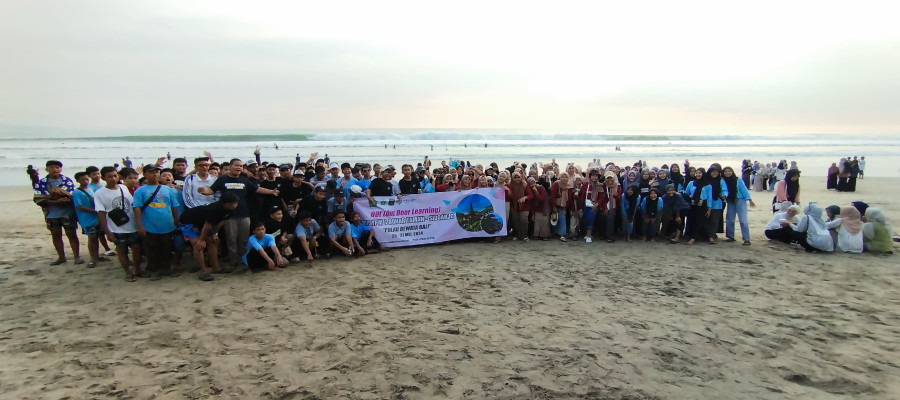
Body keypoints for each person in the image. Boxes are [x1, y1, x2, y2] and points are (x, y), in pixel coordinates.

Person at [199, 159, 279, 272]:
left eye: (241, 166)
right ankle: (233, 260)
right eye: (236, 165)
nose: (239, 168)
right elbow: (211, 190)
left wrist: (271, 192)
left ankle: (244, 259)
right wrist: (204, 191)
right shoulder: (222, 179)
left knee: (244, 239)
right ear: (230, 166)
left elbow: (256, 189)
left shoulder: (244, 180)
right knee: (231, 239)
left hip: (244, 214)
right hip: (229, 215)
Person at [94, 166, 143, 282]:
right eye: (109, 177)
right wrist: (107, 231)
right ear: (104, 178)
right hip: (116, 228)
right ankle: (128, 272)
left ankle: (137, 269)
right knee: (121, 250)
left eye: (115, 176)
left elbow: (132, 205)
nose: (113, 179)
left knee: (137, 248)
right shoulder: (99, 193)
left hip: (132, 225)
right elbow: (101, 213)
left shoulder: (123, 187)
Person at [132, 165, 180, 280]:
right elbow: (137, 208)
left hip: (167, 224)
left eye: (157, 172)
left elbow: (174, 206)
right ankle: (154, 270)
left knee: (167, 248)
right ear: (145, 174)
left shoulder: (168, 190)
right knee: (152, 249)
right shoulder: (140, 191)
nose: (155, 174)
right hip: (149, 226)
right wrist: (139, 226)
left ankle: (167, 268)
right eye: (151, 172)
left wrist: (176, 220)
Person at [179, 192, 240, 281]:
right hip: (188, 221)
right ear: (227, 204)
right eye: (235, 203)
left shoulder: (231, 210)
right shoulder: (215, 209)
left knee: (212, 241)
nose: (237, 204)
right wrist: (201, 240)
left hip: (203, 222)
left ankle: (216, 267)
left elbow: (221, 222)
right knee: (198, 246)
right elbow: (207, 225)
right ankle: (204, 271)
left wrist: (214, 234)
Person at [34, 160, 81, 266]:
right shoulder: (42, 182)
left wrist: (62, 198)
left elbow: (71, 195)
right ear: (47, 169)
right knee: (56, 235)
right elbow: (38, 198)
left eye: (57, 167)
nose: (54, 169)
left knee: (72, 235)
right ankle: (61, 257)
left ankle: (77, 257)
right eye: (51, 167)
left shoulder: (67, 180)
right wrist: (56, 201)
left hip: (67, 212)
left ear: (60, 169)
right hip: (52, 213)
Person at [72, 172, 102, 267]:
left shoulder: (90, 189)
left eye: (87, 179)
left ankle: (97, 256)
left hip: (95, 218)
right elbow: (79, 206)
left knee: (96, 237)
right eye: (83, 180)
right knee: (91, 238)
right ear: (78, 180)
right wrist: (94, 211)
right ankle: (93, 258)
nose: (85, 181)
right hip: (87, 218)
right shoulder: (77, 192)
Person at [722, 166, 755, 245]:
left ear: (732, 172)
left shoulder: (738, 179)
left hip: (740, 199)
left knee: (743, 220)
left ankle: (746, 239)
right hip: (730, 200)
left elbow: (744, 189)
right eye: (725, 171)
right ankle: (730, 236)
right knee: (730, 219)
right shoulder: (723, 180)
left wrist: (749, 199)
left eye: (729, 171)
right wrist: (724, 196)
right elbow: (723, 190)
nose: (727, 173)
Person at [507, 172, 533, 241]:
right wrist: (508, 190)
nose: (517, 179)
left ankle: (524, 235)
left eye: (518, 177)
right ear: (512, 178)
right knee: (515, 221)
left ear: (521, 177)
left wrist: (525, 197)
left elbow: (530, 195)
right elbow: (510, 196)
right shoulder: (510, 185)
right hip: (514, 206)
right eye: (515, 178)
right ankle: (517, 235)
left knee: (524, 220)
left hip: (525, 205)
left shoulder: (524, 184)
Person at [580, 169, 604, 242]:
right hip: (586, 205)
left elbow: (601, 197)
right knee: (585, 219)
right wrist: (580, 207)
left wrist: (597, 204)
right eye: (593, 175)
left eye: (596, 176)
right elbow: (582, 196)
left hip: (594, 206)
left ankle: (588, 236)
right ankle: (588, 234)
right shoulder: (585, 184)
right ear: (590, 176)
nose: (594, 177)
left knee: (590, 219)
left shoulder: (600, 185)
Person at [598, 171, 621, 243]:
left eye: (611, 178)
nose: (610, 180)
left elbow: (619, 199)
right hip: (604, 205)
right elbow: (602, 197)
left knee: (610, 218)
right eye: (608, 178)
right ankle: (602, 234)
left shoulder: (617, 186)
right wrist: (605, 208)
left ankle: (610, 236)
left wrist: (616, 196)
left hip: (613, 206)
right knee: (602, 216)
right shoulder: (603, 185)